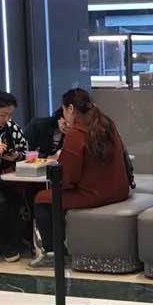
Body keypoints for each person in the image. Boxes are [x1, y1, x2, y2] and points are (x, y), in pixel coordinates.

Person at [30, 89, 130, 268]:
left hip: (95, 194)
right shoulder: (106, 123)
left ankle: (53, 253)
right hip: (119, 190)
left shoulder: (76, 133)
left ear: (70, 108)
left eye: (63, 110)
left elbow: (68, 176)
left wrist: (58, 184)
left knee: (42, 198)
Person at [0, 90, 28, 262]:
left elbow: (25, 151)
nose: (6, 119)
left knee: (19, 199)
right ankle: (1, 244)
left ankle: (13, 244)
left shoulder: (11, 127)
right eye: (2, 115)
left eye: (9, 115)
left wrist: (16, 156)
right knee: (0, 201)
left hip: (7, 177)